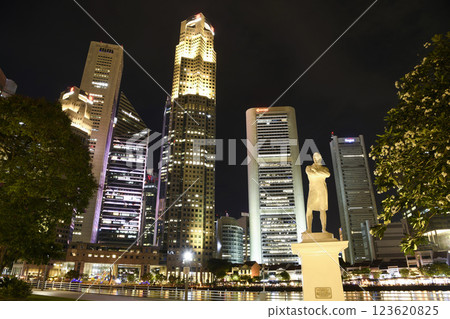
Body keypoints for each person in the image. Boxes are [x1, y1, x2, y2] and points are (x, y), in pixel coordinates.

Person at [305, 153, 330, 233]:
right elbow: (310, 174)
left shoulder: (324, 168)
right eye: (314, 158)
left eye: (317, 158)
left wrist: (316, 171)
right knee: (309, 209)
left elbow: (328, 174)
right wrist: (319, 173)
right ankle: (309, 229)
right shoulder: (309, 167)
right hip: (313, 190)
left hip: (322, 190)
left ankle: (323, 229)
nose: (316, 159)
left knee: (322, 209)